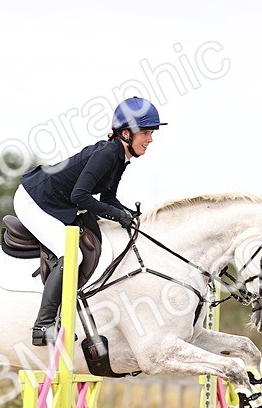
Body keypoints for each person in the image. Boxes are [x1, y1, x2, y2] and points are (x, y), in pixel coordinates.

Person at [15, 97, 166, 345]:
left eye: (151, 133)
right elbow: (80, 196)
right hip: (35, 200)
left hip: (58, 201)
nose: (150, 139)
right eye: (146, 133)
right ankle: (42, 326)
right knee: (72, 253)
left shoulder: (120, 157)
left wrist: (134, 217)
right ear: (127, 133)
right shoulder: (107, 154)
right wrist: (118, 216)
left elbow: (108, 198)